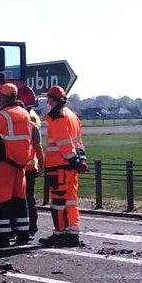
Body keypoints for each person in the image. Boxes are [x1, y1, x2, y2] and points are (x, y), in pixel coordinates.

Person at [0, 82, 34, 243]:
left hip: (5, 163)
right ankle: (23, 234)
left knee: (1, 199)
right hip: (22, 164)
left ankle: (3, 235)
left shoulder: (1, 115)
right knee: (20, 199)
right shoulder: (24, 113)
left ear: (3, 98)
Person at [40, 84, 86, 246]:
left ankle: (60, 233)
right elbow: (78, 142)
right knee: (71, 199)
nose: (47, 102)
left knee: (58, 201)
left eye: (48, 99)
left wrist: (72, 160)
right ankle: (72, 231)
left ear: (52, 100)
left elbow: (63, 143)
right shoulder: (73, 116)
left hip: (59, 165)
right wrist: (80, 161)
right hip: (71, 166)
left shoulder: (57, 117)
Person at [22, 89, 44, 240]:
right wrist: (41, 165)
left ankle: (24, 228)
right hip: (31, 166)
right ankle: (30, 228)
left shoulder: (17, 121)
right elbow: (38, 147)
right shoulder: (33, 121)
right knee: (29, 198)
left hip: (18, 167)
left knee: (21, 199)